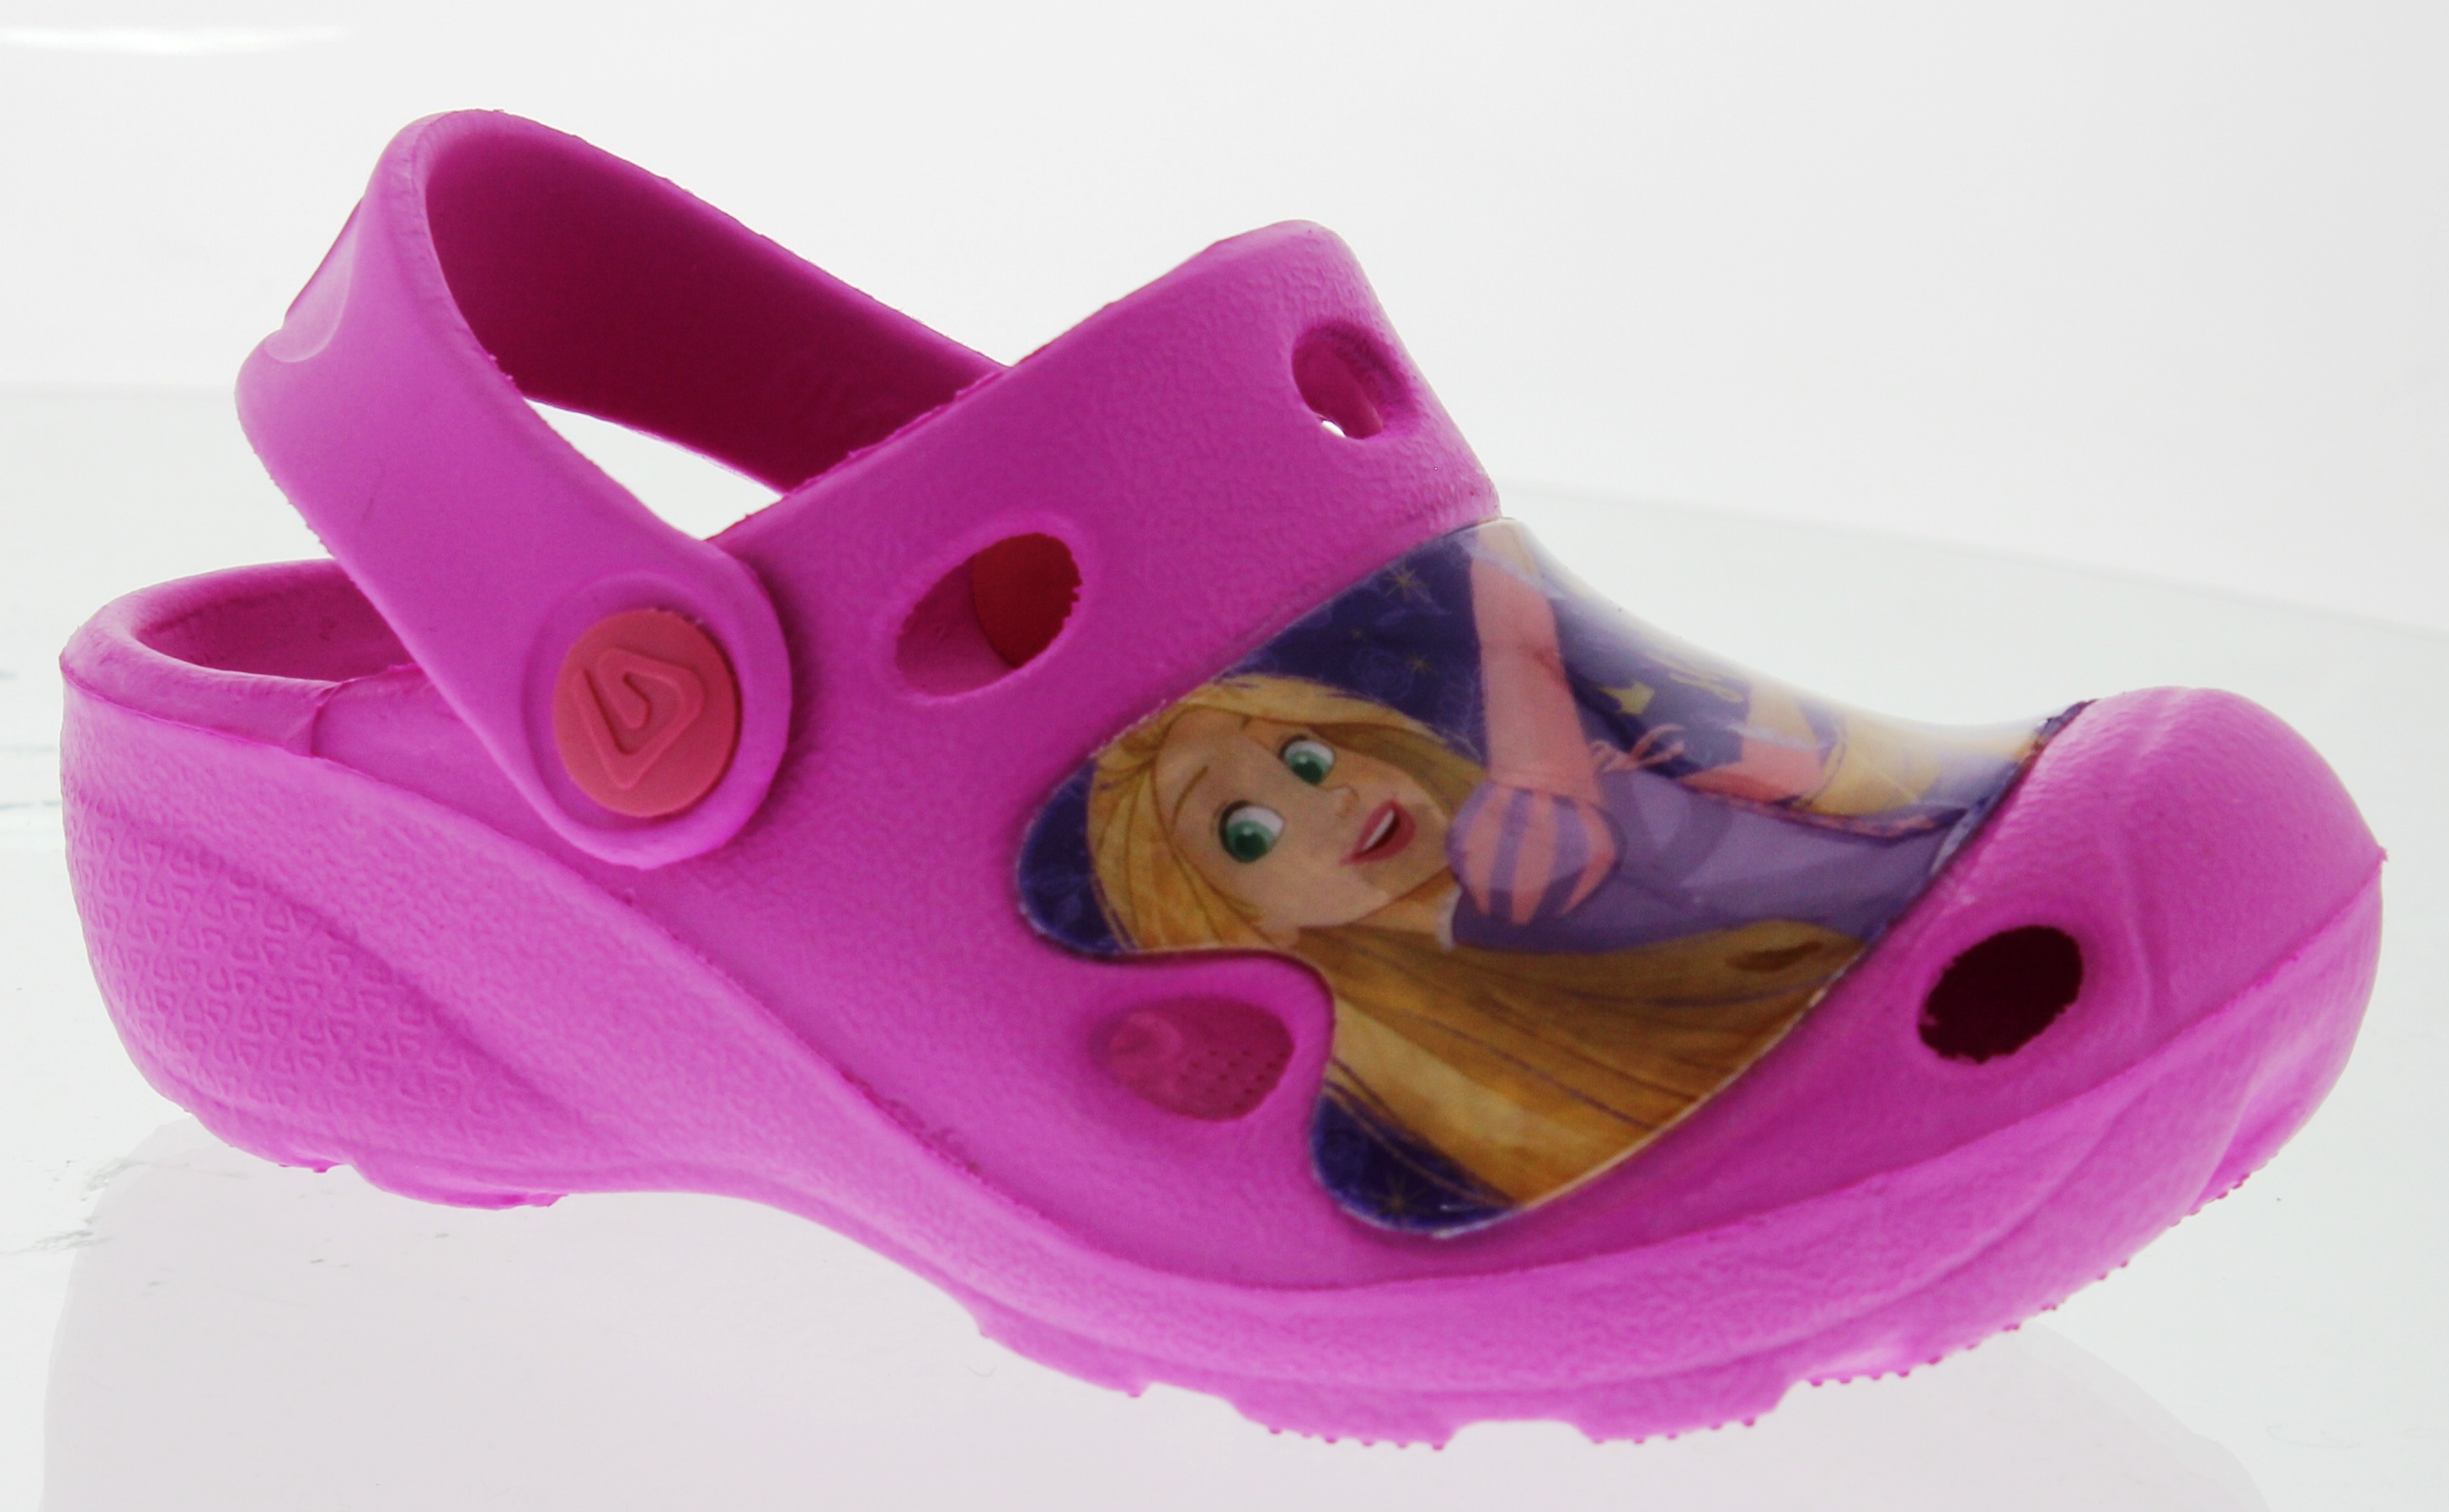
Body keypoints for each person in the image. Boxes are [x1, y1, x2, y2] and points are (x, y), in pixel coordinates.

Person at [1077, 522, 2031, 1232]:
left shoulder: (1500, 853)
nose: (1329, 798)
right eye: (1247, 833)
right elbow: (1525, 673)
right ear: (1229, 916)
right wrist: (1501, 599)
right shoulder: (1510, 857)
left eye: (1310, 756)